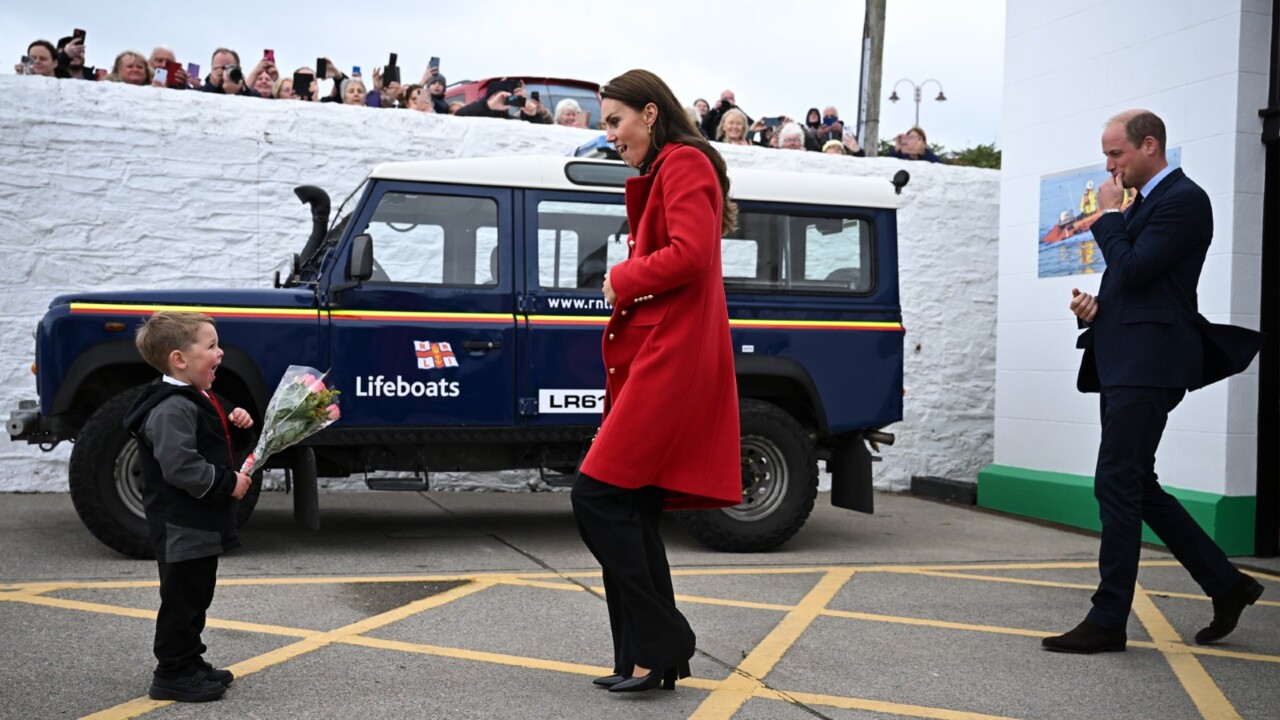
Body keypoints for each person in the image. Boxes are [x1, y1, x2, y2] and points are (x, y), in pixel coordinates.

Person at [1045, 109, 1265, 655]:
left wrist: (1110, 217)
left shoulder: (1185, 200)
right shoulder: (1146, 204)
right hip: (1125, 358)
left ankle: (1107, 618)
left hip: (1150, 366)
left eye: (1116, 153)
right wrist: (1096, 310)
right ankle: (1228, 585)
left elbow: (1137, 269)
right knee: (1136, 484)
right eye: (1106, 154)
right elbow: (1132, 284)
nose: (1109, 166)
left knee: (1116, 483)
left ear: (1149, 146)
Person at [574, 68, 741, 694]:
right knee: (632, 508)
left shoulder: (684, 163)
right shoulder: (665, 168)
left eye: (615, 121)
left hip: (671, 358)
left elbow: (692, 254)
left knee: (595, 497)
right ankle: (646, 660)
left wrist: (624, 275)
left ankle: (665, 641)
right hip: (657, 354)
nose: (610, 135)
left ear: (650, 113)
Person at [123, 311, 254, 702]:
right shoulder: (171, 407)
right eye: (211, 346)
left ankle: (191, 662)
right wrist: (229, 484)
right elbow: (181, 466)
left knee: (197, 596)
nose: (221, 353)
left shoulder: (195, 397)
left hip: (198, 523)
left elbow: (210, 442)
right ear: (179, 360)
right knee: (182, 601)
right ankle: (172, 673)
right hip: (182, 525)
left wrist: (237, 426)